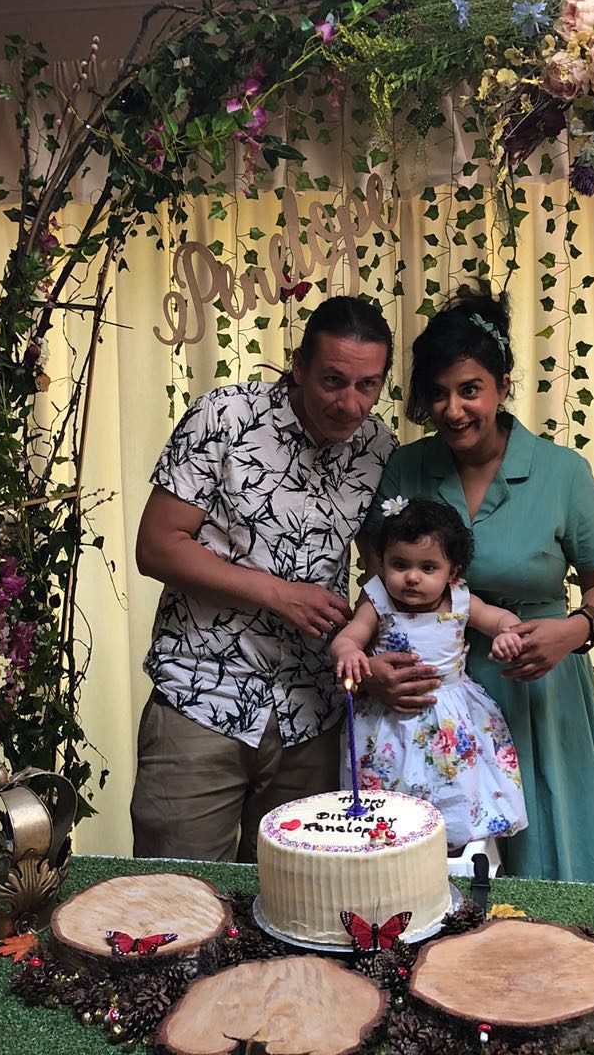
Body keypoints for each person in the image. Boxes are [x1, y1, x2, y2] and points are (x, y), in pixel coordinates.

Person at [360, 285, 594, 883]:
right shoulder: (407, 468)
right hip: (429, 703)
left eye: (469, 389)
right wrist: (373, 669)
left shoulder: (563, 473)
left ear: (503, 386)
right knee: (432, 881)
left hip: (537, 691)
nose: (453, 409)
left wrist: (572, 632)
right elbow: (377, 585)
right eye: (438, 393)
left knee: (551, 871)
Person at [131, 296, 397, 862]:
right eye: (333, 380)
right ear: (298, 365)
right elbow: (156, 545)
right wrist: (279, 595)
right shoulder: (225, 416)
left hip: (314, 712)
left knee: (298, 899)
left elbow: (383, 575)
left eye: (368, 386)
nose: (350, 403)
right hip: (203, 695)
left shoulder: (379, 448)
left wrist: (371, 657)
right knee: (179, 896)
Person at [331, 497, 529, 852]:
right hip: (388, 719)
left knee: (455, 787)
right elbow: (349, 636)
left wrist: (508, 634)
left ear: (452, 572)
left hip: (450, 714)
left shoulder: (460, 599)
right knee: (387, 796)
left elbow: (500, 619)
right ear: (383, 563)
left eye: (428, 567)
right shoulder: (376, 600)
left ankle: (454, 853)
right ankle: (386, 846)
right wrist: (348, 651)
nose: (412, 577)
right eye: (399, 564)